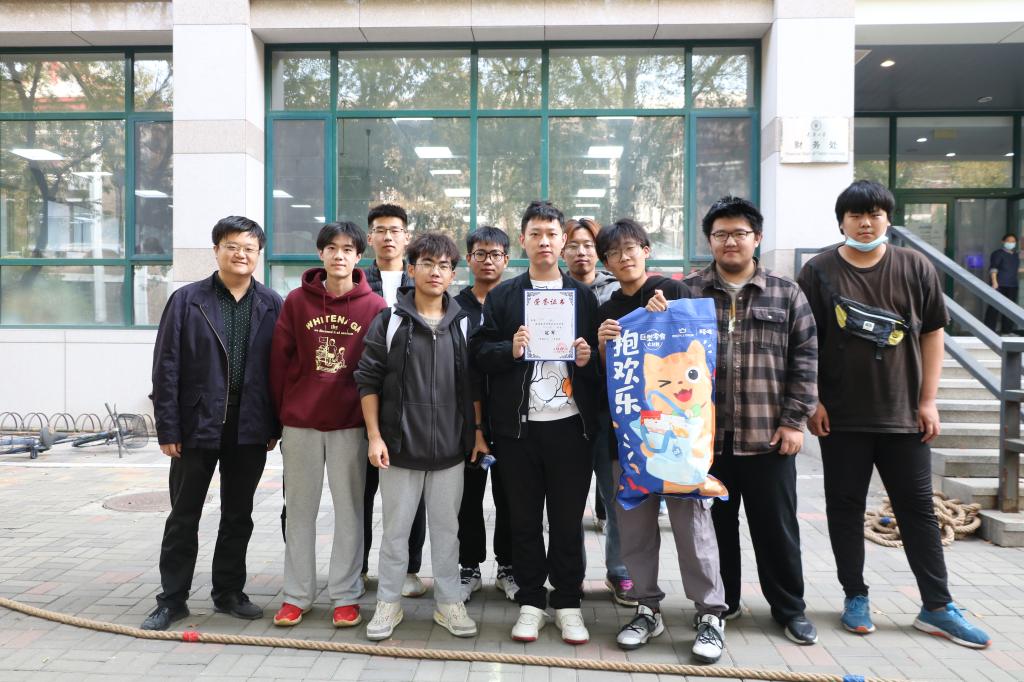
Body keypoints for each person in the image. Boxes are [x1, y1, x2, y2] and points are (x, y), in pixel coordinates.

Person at [798, 180, 992, 649]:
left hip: (904, 415)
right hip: (840, 418)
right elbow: (805, 340)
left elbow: (932, 334)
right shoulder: (818, 270)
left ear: (888, 218)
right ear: (841, 222)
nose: (866, 223)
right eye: (856, 215)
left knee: (918, 510)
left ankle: (937, 606)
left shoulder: (914, 266)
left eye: (875, 214)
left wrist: (928, 400)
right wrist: (813, 399)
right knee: (844, 509)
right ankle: (855, 596)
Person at [684, 197, 820, 646]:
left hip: (768, 437)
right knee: (715, 529)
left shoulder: (786, 293)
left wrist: (794, 422)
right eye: (720, 234)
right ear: (709, 240)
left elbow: (805, 360)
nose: (730, 241)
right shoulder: (690, 292)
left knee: (776, 529)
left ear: (757, 238)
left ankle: (790, 609)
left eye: (739, 233)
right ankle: (723, 604)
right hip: (707, 440)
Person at [595, 218, 729, 663]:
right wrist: (602, 346)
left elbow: (698, 353)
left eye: (631, 248)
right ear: (607, 263)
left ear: (646, 250)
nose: (625, 258)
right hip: (630, 443)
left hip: (681, 440)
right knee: (634, 530)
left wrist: (668, 316)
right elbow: (605, 380)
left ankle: (710, 614)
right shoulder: (608, 309)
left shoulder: (672, 291)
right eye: (614, 253)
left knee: (692, 529)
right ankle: (646, 608)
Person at [143, 216, 283, 631]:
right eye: (232, 246)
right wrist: (168, 428)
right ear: (217, 250)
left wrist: (273, 424)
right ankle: (172, 599)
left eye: (249, 248)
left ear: (259, 254)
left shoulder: (272, 303)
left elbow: (280, 370)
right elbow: (166, 367)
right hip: (197, 424)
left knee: (238, 514)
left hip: (249, 425)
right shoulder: (187, 301)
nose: (241, 254)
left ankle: (228, 592)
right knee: (184, 515)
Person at [470, 200, 599, 645]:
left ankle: (567, 603)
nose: (544, 242)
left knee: (567, 521)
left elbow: (599, 362)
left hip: (571, 427)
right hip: (518, 429)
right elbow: (479, 354)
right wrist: (510, 349)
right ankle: (530, 601)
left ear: (563, 241)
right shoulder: (504, 296)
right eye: (536, 234)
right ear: (523, 240)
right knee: (522, 519)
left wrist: (588, 357)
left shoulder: (583, 296)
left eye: (552, 234)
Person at [355, 231, 486, 641]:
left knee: (447, 533)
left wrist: (476, 433)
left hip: (450, 451)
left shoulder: (463, 324)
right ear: (411, 270)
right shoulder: (390, 320)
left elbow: (473, 385)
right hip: (399, 449)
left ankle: (449, 603)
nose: (435, 272)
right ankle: (388, 603)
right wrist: (374, 437)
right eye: (426, 263)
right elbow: (367, 380)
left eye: (444, 265)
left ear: (453, 274)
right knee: (395, 533)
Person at [269, 221, 386, 628]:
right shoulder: (296, 302)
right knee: (299, 511)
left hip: (350, 425)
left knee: (350, 511)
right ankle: (296, 595)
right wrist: (280, 417)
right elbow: (279, 362)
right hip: (300, 424)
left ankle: (346, 595)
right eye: (332, 248)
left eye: (348, 249)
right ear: (320, 253)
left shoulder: (374, 307)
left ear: (359, 256)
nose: (339, 255)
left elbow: (378, 371)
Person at [563, 217, 636, 609]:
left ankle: (619, 570)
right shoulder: (553, 293)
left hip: (611, 414)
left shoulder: (616, 293)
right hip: (567, 412)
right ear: (563, 251)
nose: (581, 252)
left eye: (588, 245)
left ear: (600, 253)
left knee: (616, 498)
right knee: (568, 502)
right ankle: (571, 574)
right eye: (573, 245)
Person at [362, 203, 428, 599]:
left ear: (406, 237)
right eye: (380, 230)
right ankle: (358, 568)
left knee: (410, 496)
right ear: (369, 237)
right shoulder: (356, 281)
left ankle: (408, 568)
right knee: (361, 493)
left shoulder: (421, 280)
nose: (388, 237)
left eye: (395, 230)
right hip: (364, 402)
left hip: (410, 406)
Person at [454, 226, 517, 601]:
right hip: (464, 419)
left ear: (506, 260)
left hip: (510, 416)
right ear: (469, 259)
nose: (488, 261)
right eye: (480, 253)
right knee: (467, 497)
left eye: (495, 254)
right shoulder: (454, 307)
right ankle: (469, 566)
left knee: (510, 496)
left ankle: (507, 566)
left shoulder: (515, 302)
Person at [984, 232, 1019, 335]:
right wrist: (994, 282)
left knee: (1010, 309)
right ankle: (989, 331)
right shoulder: (998, 254)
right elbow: (993, 269)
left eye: (1013, 241)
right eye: (1008, 241)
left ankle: (1007, 331)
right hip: (999, 285)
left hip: (1012, 285)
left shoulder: (1015, 255)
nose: (1011, 243)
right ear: (1003, 241)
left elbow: (1013, 269)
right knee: (994, 308)